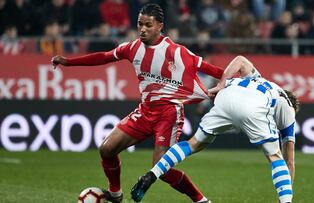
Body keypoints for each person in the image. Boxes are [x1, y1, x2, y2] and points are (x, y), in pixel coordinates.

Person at [51, 3, 224, 203]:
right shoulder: (132, 48)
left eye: (148, 25)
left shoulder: (177, 52)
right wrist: (69, 62)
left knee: (163, 168)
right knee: (106, 149)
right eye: (140, 24)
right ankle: (115, 194)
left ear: (160, 26)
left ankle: (201, 200)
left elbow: (215, 71)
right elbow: (104, 57)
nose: (142, 29)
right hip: (145, 112)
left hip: (169, 114)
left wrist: (234, 82)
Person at [131, 55, 299, 203]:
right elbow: (289, 161)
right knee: (275, 157)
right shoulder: (288, 107)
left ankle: (152, 174)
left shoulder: (258, 79)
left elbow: (240, 60)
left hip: (227, 95)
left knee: (193, 144)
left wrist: (221, 84)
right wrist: (284, 195)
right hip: (253, 108)